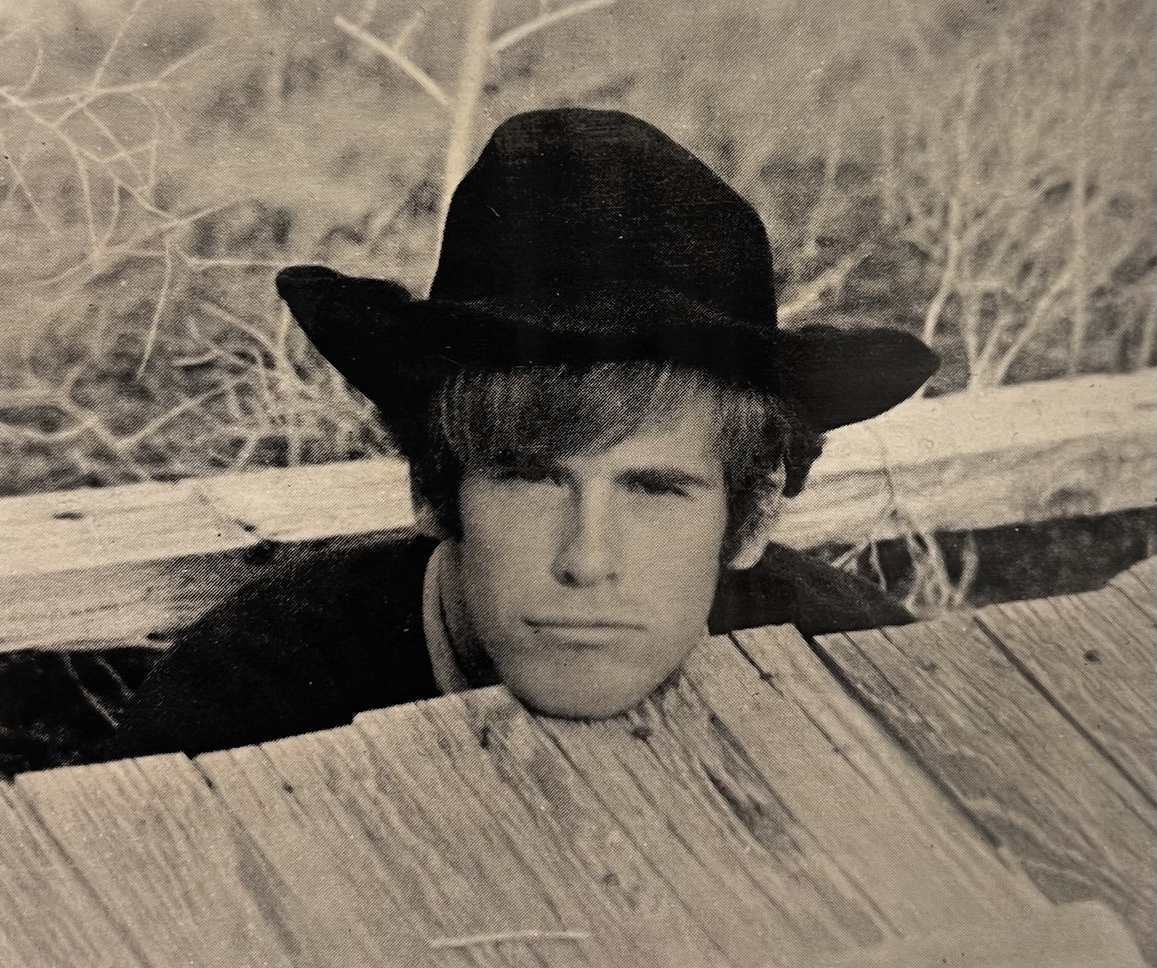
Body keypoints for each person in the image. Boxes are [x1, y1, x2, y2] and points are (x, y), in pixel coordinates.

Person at [97, 108, 938, 760]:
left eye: (654, 489)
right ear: (433, 492)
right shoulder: (249, 705)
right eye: (532, 478)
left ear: (749, 521)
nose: (587, 560)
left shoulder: (858, 666)